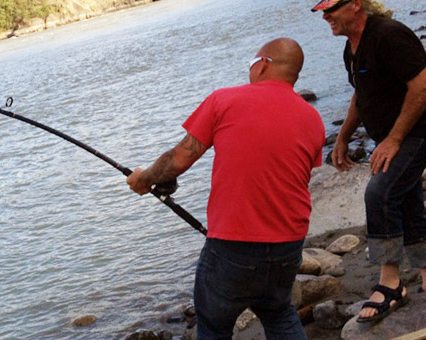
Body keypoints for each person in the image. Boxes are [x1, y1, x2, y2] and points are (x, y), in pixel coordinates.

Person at [127, 38, 325, 339]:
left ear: (263, 65)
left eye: (252, 63)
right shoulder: (313, 118)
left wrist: (144, 179)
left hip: (234, 245)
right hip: (289, 243)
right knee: (280, 313)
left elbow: (178, 160)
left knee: (214, 327)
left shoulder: (224, 100)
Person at [312, 0, 426, 323]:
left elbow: (422, 86)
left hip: (417, 134)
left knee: (380, 193)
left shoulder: (389, 36)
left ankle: (390, 284)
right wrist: (344, 136)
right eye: (321, 11)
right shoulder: (352, 48)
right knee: (406, 199)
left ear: (356, 5)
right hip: (393, 137)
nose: (325, 17)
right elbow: (361, 95)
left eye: (330, 10)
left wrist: (394, 139)